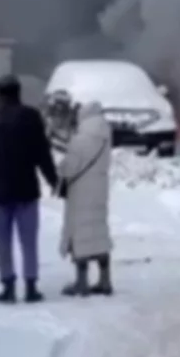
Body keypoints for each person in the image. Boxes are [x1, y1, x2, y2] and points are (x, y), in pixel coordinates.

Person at [0, 74, 57, 304]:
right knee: (28, 240)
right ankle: (31, 286)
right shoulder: (30, 116)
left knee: (2, 241)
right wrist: (53, 180)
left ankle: (7, 285)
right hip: (26, 188)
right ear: (18, 92)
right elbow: (42, 153)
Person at [56, 101, 113, 297]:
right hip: (100, 190)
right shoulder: (105, 137)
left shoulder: (81, 140)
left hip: (80, 192)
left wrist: (60, 168)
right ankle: (105, 280)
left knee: (80, 234)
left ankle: (82, 282)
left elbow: (70, 167)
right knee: (99, 231)